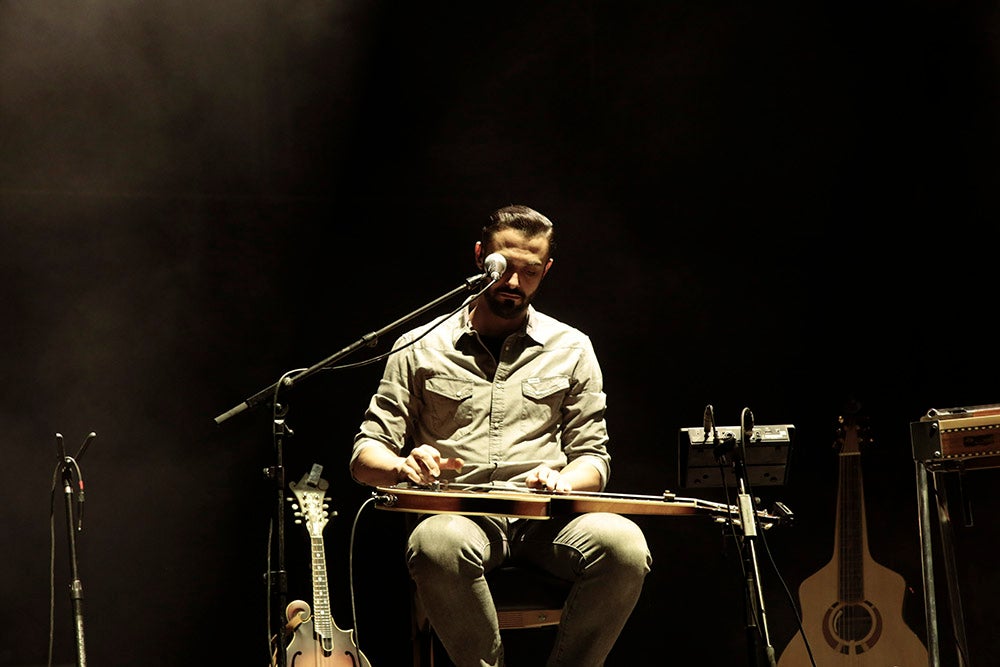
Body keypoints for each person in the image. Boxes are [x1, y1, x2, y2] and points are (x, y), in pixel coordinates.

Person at [349, 204, 651, 667]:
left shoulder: (571, 347)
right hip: (460, 516)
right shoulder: (420, 345)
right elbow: (365, 456)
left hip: (546, 521)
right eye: (503, 266)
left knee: (625, 545)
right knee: (436, 543)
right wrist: (402, 465)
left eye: (529, 271)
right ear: (479, 257)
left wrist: (566, 481)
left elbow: (593, 457)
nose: (513, 283)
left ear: (546, 270)